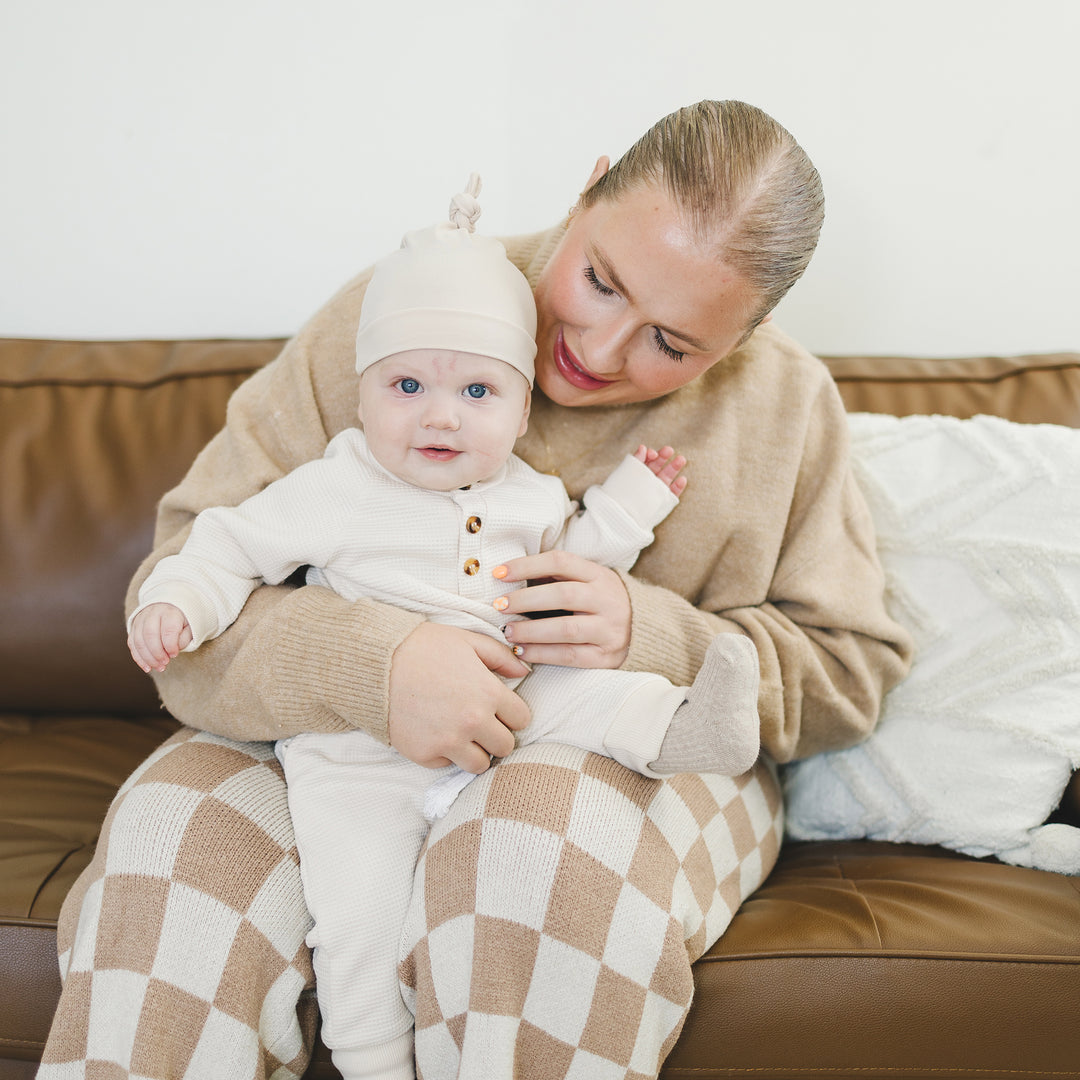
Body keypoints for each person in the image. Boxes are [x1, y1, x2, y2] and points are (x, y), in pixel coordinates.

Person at [40, 100, 912, 1080]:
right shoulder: (407, 311)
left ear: (746, 337)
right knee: (175, 852)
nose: (603, 348)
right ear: (587, 189)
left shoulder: (786, 404)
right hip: (323, 742)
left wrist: (652, 635)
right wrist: (377, 668)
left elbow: (852, 671)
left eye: (672, 343)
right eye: (599, 280)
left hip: (629, 751)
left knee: (533, 852)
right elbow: (184, 587)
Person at [124, 185, 762, 1080]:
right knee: (356, 909)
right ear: (366, 388)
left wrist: (633, 512)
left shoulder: (527, 492)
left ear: (516, 408)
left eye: (476, 391)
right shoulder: (337, 484)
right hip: (354, 756)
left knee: (592, 701)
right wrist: (183, 604)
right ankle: (374, 1055)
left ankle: (679, 727)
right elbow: (223, 541)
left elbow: (579, 556)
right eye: (408, 386)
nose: (440, 415)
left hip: (519, 704)